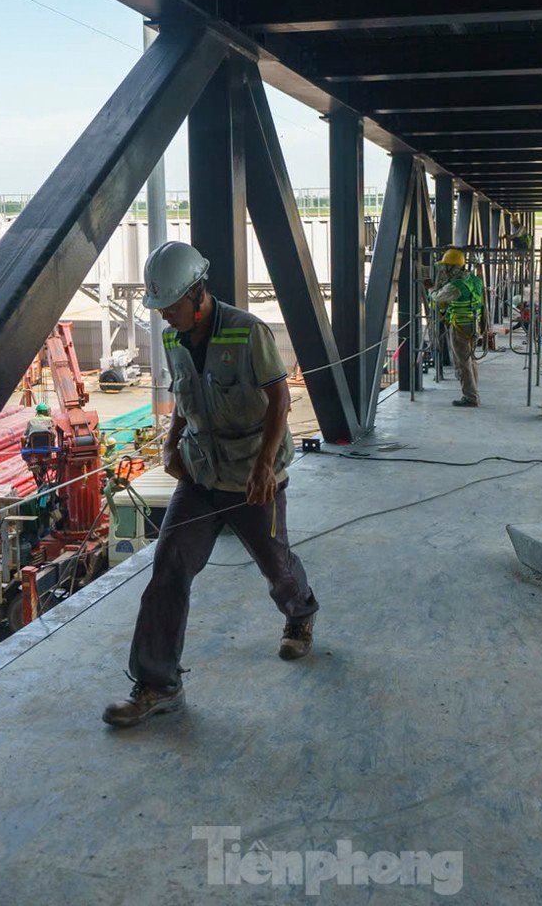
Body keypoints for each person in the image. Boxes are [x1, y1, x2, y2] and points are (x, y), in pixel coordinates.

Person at [104, 240, 318, 729]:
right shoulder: (174, 339)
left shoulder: (248, 332)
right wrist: (170, 445)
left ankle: (300, 612)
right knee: (169, 567)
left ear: (197, 294)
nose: (164, 318)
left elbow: (280, 400)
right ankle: (157, 684)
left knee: (275, 563)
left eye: (171, 307)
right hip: (201, 472)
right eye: (158, 309)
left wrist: (266, 465)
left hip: (251, 475)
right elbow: (184, 396)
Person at [427, 247, 484, 408]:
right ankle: (473, 392)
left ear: (452, 268)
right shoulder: (474, 280)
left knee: (462, 362)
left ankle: (470, 397)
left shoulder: (455, 286)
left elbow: (437, 298)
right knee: (471, 359)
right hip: (474, 326)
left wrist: (430, 288)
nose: (444, 270)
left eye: (446, 267)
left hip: (460, 327)